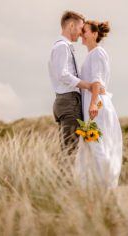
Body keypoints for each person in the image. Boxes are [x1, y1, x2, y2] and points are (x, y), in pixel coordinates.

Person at [75, 20, 123, 189]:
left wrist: (93, 104)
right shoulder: (92, 54)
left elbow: (97, 81)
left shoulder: (97, 53)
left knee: (97, 145)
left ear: (95, 34)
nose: (81, 34)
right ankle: (96, 186)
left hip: (96, 106)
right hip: (93, 104)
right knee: (93, 145)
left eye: (84, 31)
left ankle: (106, 186)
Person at [48, 10, 92, 156]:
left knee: (71, 151)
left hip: (68, 101)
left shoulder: (65, 47)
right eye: (80, 28)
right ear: (71, 25)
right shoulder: (61, 46)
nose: (81, 33)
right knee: (70, 152)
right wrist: (88, 85)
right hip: (68, 102)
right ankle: (64, 179)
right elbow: (63, 74)